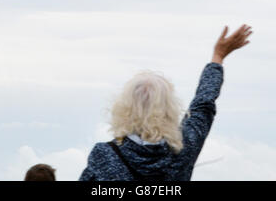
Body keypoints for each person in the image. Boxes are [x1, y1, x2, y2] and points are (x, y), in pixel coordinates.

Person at [79, 24, 252, 181]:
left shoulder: (104, 155)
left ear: (123, 107)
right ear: (169, 109)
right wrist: (218, 57)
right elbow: (203, 104)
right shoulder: (185, 147)